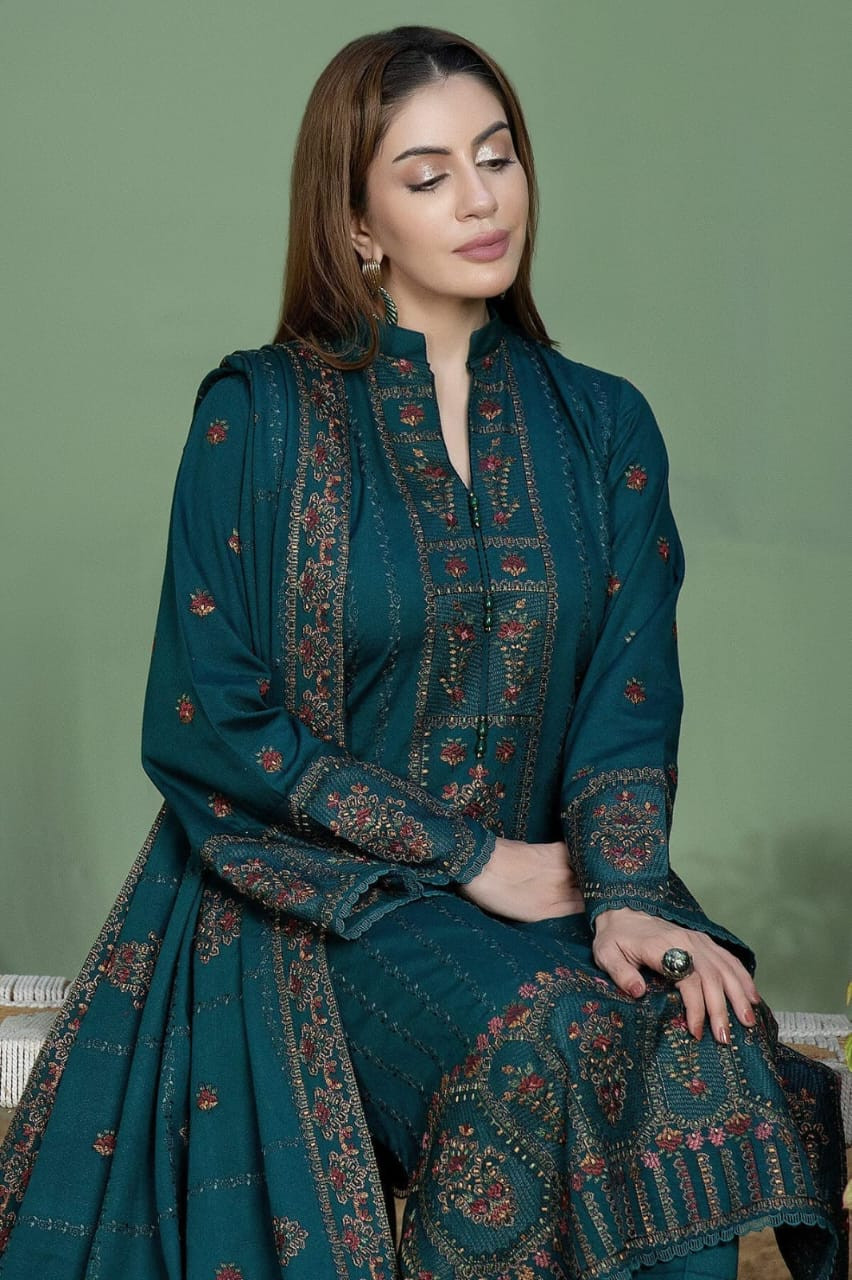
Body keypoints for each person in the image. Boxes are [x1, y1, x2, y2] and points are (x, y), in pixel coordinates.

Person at [0, 23, 845, 1280]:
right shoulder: (260, 416)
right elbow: (208, 714)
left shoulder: (602, 424)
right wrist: (468, 856)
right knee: (551, 1042)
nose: (481, 198)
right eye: (429, 173)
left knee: (701, 1040)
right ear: (358, 223)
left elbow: (628, 696)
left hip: (553, 887)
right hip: (310, 899)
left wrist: (624, 894)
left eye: (497, 157)